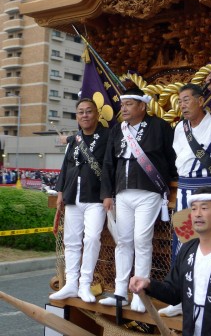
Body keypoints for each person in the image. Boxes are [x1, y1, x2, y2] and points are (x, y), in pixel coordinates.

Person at [99, 87, 177, 312]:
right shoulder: (117, 131)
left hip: (149, 192)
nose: (123, 108)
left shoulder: (160, 127)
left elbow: (171, 157)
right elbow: (108, 164)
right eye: (122, 105)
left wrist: (169, 182)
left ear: (142, 106)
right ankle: (120, 292)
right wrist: (106, 194)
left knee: (142, 241)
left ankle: (140, 295)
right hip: (122, 194)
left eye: (129, 104)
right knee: (123, 242)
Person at [160, 83, 211, 317]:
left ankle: (209, 299)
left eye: (187, 100)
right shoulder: (180, 128)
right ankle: (180, 298)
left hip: (208, 192)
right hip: (185, 193)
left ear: (200, 101)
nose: (183, 105)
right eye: (180, 101)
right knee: (182, 247)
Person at [129, 186, 211, 336]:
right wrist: (148, 284)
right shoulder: (188, 250)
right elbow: (173, 293)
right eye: (193, 209)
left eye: (204, 208)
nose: (197, 214)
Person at [49, 98, 109, 303]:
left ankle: (85, 284)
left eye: (88, 111)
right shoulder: (74, 140)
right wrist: (59, 194)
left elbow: (110, 167)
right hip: (72, 195)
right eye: (80, 112)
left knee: (92, 238)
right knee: (71, 242)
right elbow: (65, 168)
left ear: (97, 114)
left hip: (96, 197)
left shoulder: (108, 137)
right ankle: (70, 284)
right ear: (76, 116)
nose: (84, 115)